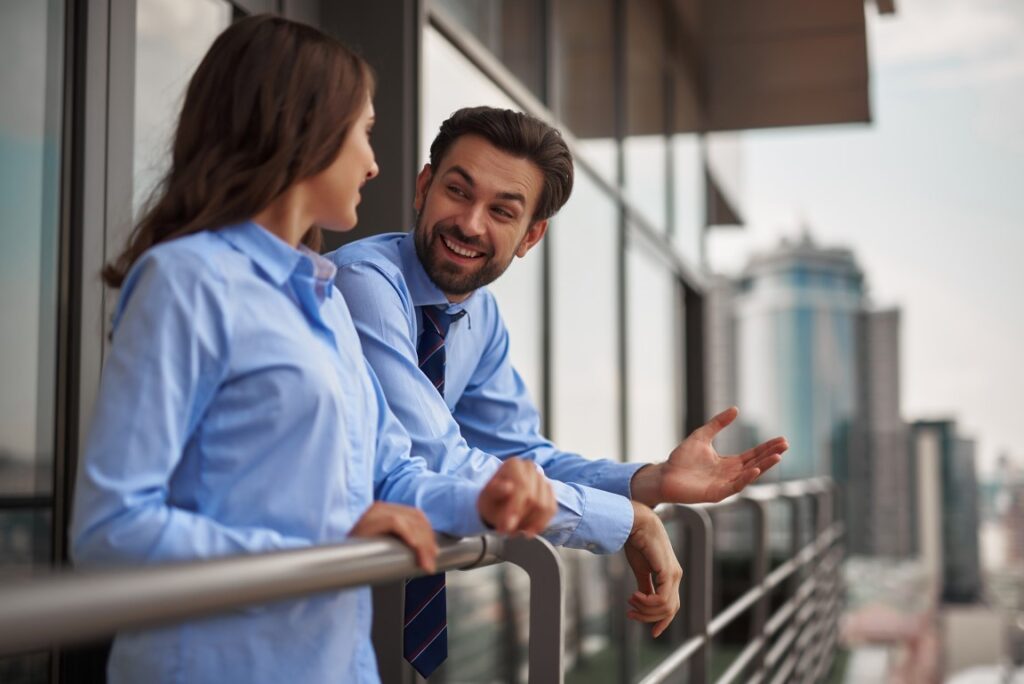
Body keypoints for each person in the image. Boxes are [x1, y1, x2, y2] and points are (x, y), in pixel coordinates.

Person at [69, 18, 554, 683]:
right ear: (303, 132)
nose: (374, 162)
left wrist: (484, 500)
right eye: (364, 132)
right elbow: (112, 530)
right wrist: (326, 548)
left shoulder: (324, 298)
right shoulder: (188, 281)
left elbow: (391, 473)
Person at [328, 107, 790, 636]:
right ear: (424, 186)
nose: (471, 224)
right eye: (458, 192)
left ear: (530, 236)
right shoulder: (363, 283)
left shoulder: (480, 315)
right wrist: (625, 521)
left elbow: (520, 456)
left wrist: (649, 481)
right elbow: (434, 456)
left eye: (503, 212)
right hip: (320, 592)